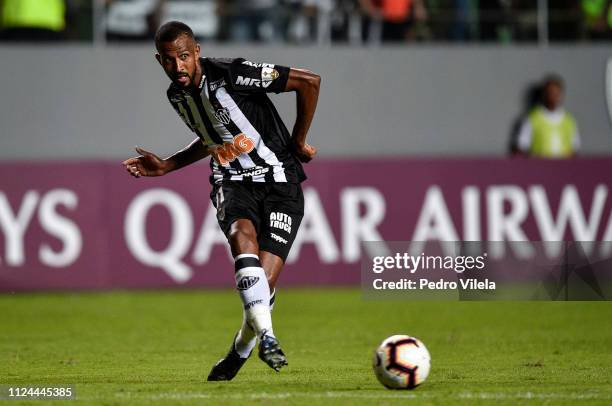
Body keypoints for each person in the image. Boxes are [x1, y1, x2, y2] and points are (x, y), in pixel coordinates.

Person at [122, 21, 320, 380]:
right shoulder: (177, 95)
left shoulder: (235, 74)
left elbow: (309, 82)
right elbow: (212, 138)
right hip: (232, 181)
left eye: (183, 56)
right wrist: (167, 165)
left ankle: (240, 350)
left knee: (261, 286)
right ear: (159, 61)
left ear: (196, 51)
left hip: (281, 181)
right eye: (169, 60)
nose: (178, 67)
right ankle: (269, 338)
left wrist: (298, 141)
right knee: (240, 237)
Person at [516, 74, 580, 158]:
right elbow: (521, 147)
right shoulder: (532, 118)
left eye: (556, 93)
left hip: (564, 169)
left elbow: (574, 149)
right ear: (544, 94)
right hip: (539, 168)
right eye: (550, 93)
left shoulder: (569, 120)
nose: (552, 97)